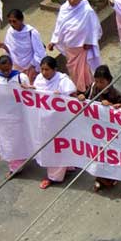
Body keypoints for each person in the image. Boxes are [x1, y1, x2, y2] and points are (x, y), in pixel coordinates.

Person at [29, 56, 77, 189]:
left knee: (56, 147)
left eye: (47, 70)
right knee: (49, 146)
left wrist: (61, 96)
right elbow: (36, 94)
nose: (44, 72)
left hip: (59, 121)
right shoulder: (39, 79)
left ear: (55, 69)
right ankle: (65, 166)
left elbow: (73, 97)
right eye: (42, 69)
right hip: (44, 121)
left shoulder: (63, 81)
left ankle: (53, 177)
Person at [77, 65, 121, 192]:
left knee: (108, 155)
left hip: (109, 131)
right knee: (97, 155)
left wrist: (111, 106)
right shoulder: (92, 88)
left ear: (108, 80)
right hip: (93, 129)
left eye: (102, 82)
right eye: (97, 81)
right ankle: (99, 178)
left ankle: (109, 178)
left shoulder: (115, 94)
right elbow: (85, 97)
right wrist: (81, 97)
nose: (98, 84)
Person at [48, 0, 102, 93]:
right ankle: (78, 90)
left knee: (85, 71)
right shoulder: (64, 9)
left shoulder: (87, 10)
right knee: (74, 72)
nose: (71, 1)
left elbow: (94, 27)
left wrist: (90, 42)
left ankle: (88, 91)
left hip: (82, 48)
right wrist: (53, 41)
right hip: (70, 48)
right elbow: (59, 26)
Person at [0, 55, 31, 178]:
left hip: (20, 115)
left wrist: (27, 89)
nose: (6, 72)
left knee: (21, 139)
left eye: (7, 69)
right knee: (9, 141)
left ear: (12, 65)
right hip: (5, 117)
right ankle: (15, 167)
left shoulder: (21, 77)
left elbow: (31, 95)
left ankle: (23, 159)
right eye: (3, 70)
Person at [0, 9, 46, 84]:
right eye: (10, 21)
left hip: (30, 68)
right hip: (16, 69)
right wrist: (4, 47)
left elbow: (39, 52)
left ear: (21, 20)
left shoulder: (31, 32)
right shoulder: (10, 32)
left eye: (14, 21)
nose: (12, 24)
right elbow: (11, 51)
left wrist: (33, 67)